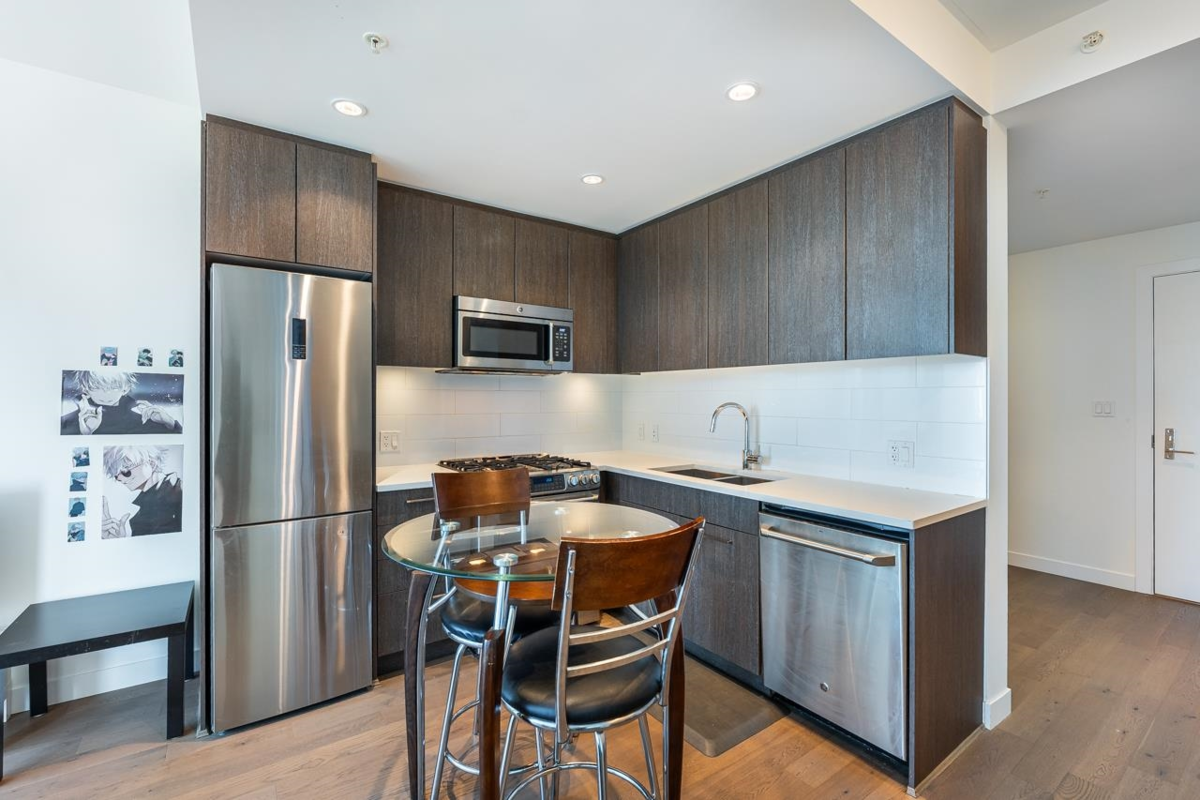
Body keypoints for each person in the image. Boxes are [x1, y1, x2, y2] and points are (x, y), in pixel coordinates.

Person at [60, 371, 182, 435]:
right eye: (97, 387)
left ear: (125, 389)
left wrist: (169, 423)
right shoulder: (67, 422)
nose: (106, 394)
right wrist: (85, 433)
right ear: (85, 388)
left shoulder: (144, 419)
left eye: (114, 387)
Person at [102, 446, 182, 537]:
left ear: (151, 464)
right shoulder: (150, 502)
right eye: (116, 476)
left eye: (125, 471)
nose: (119, 478)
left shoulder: (178, 493)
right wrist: (120, 539)